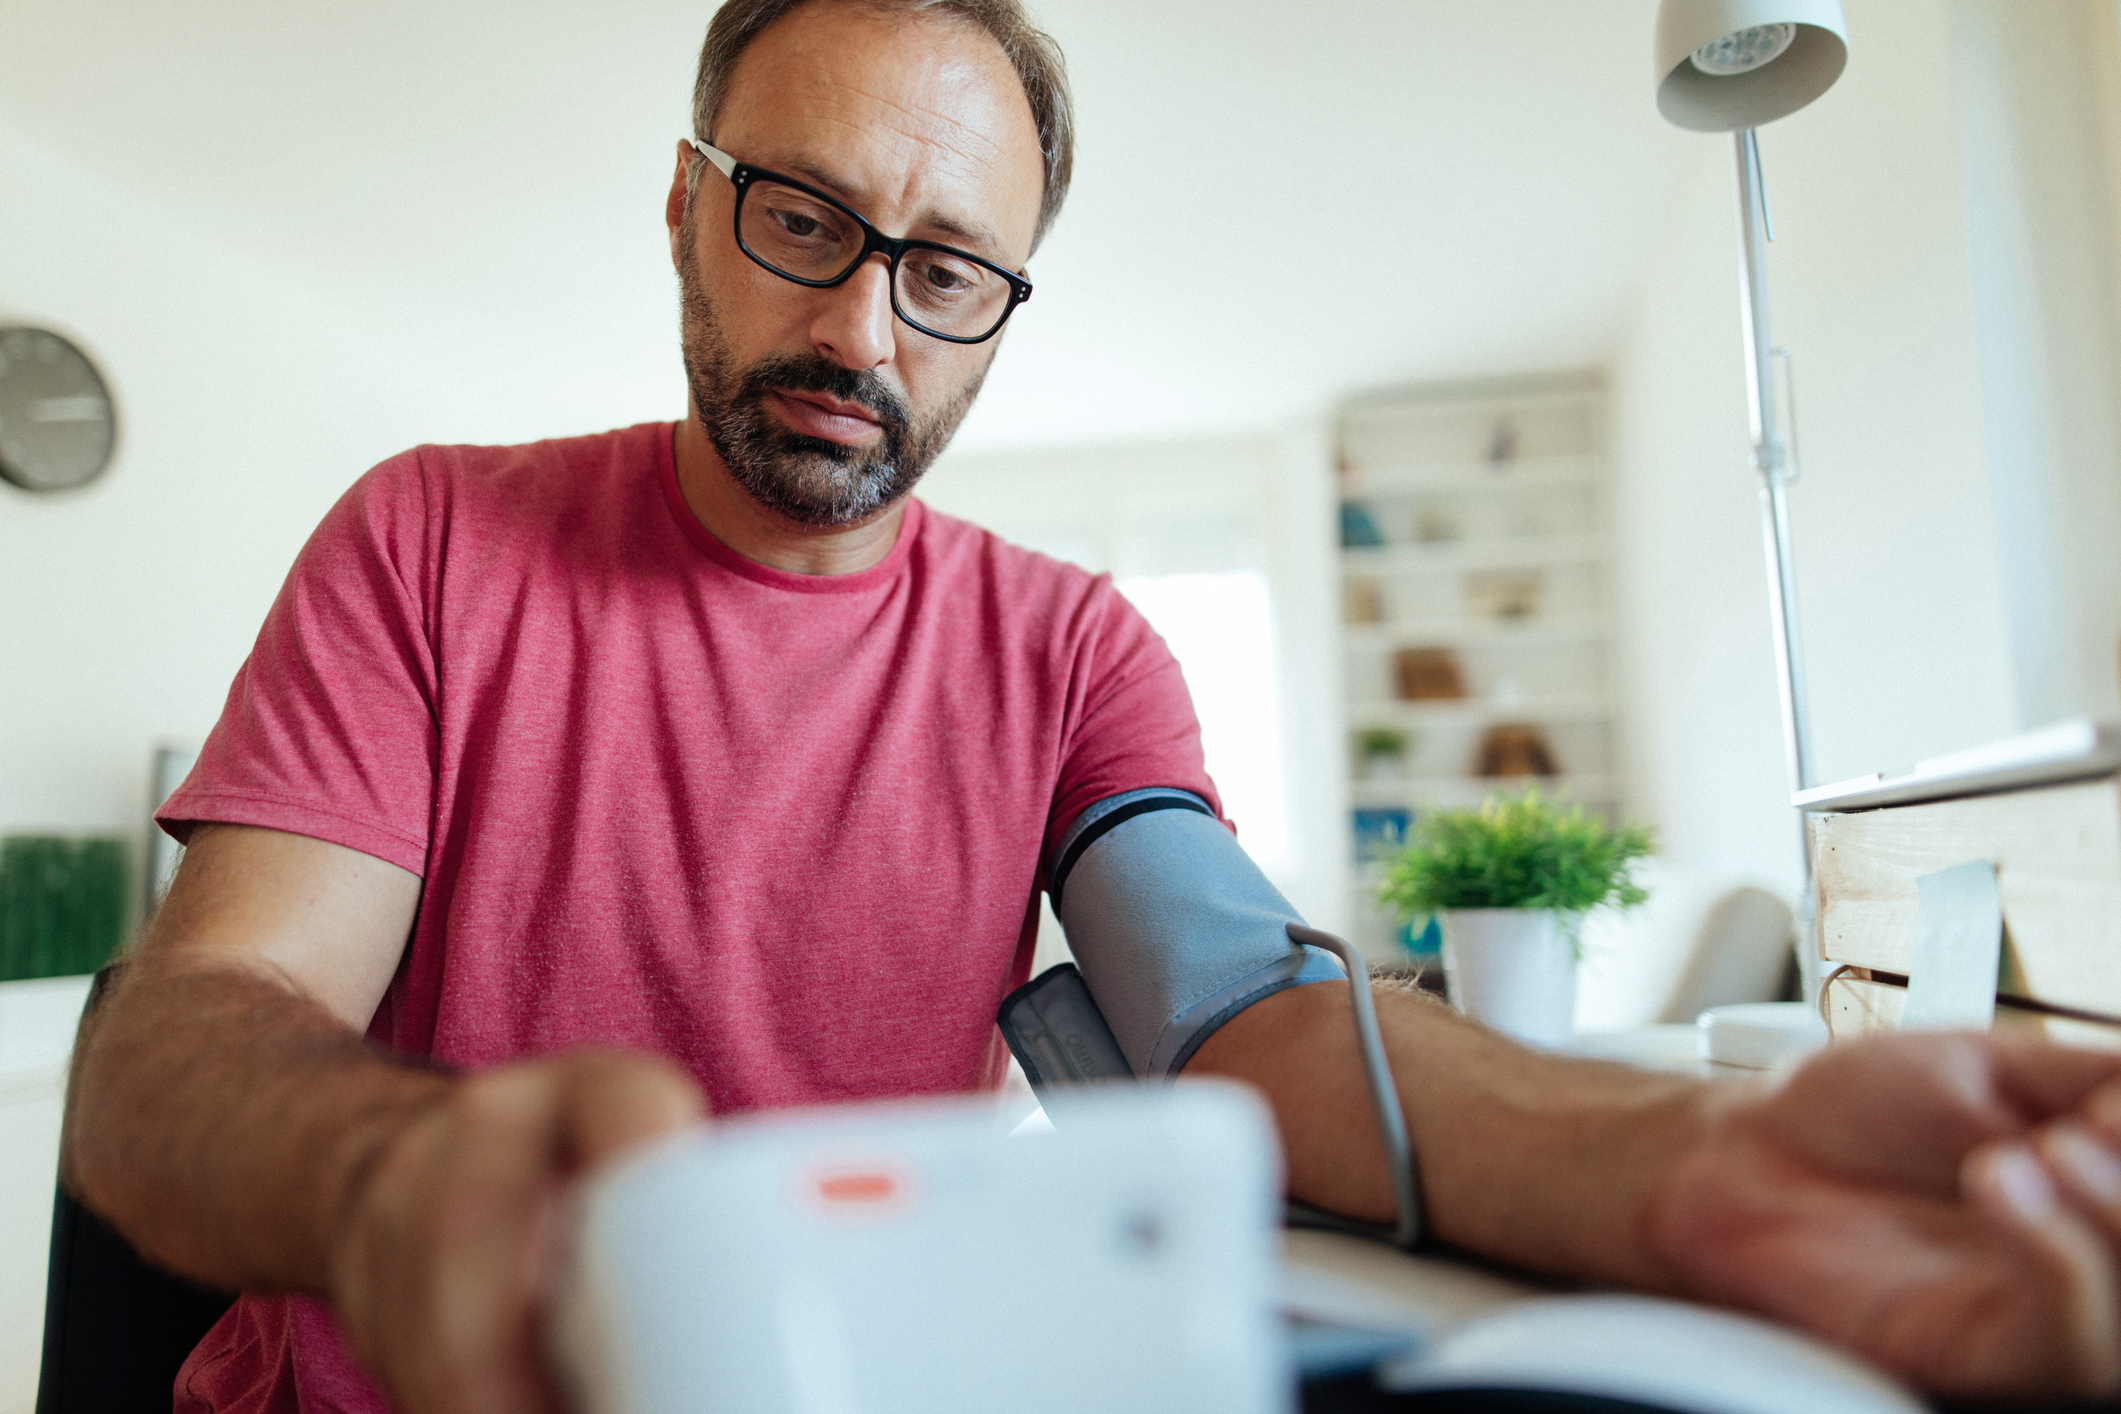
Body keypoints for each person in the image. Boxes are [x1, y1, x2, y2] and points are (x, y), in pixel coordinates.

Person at [61, 0, 2121, 1409]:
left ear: (1004, 312)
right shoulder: (429, 543)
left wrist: (1700, 1160)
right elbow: (190, 1032)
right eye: (800, 219)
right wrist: (387, 1169)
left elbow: (1232, 1013)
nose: (859, 322)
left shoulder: (1068, 652)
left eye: (947, 267)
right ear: (687, 202)